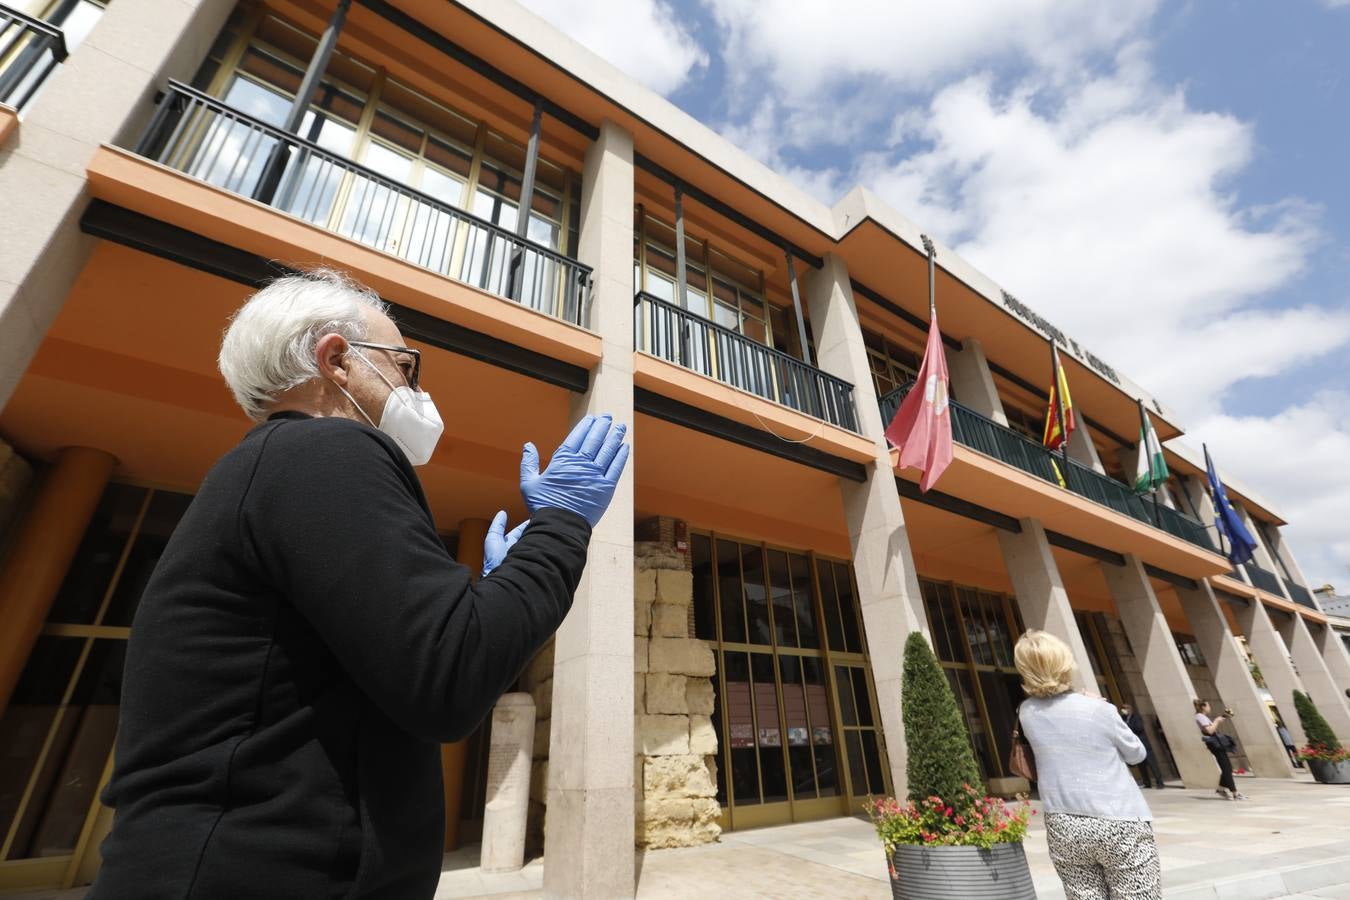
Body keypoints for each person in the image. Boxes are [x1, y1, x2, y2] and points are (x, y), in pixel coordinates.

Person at [89, 270, 630, 899]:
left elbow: (424, 660)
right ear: (337, 361)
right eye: (405, 365)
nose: (416, 387)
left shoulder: (277, 465)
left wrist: (495, 591)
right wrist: (562, 524)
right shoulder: (324, 450)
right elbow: (450, 677)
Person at [1015, 630, 1161, 900]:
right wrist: (1106, 708)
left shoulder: (1026, 713)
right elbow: (1137, 754)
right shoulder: (1098, 709)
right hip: (1118, 819)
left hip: (1063, 823)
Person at [1194, 699, 1247, 800]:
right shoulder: (1200, 717)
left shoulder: (1202, 717)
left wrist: (1223, 717)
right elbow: (1209, 731)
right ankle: (1235, 793)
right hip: (1215, 744)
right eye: (1208, 706)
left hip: (1217, 744)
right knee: (1226, 768)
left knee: (1228, 768)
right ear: (1203, 707)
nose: (1210, 708)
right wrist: (1217, 721)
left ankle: (1221, 789)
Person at [1119, 703, 1167, 789]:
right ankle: (1147, 782)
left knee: (1152, 763)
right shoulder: (1123, 718)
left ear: (1130, 709)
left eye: (1125, 708)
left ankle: (1159, 782)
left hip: (1144, 743)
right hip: (1134, 745)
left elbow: (1139, 728)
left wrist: (1128, 727)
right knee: (1141, 765)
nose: (1124, 710)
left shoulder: (1136, 717)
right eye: (1122, 709)